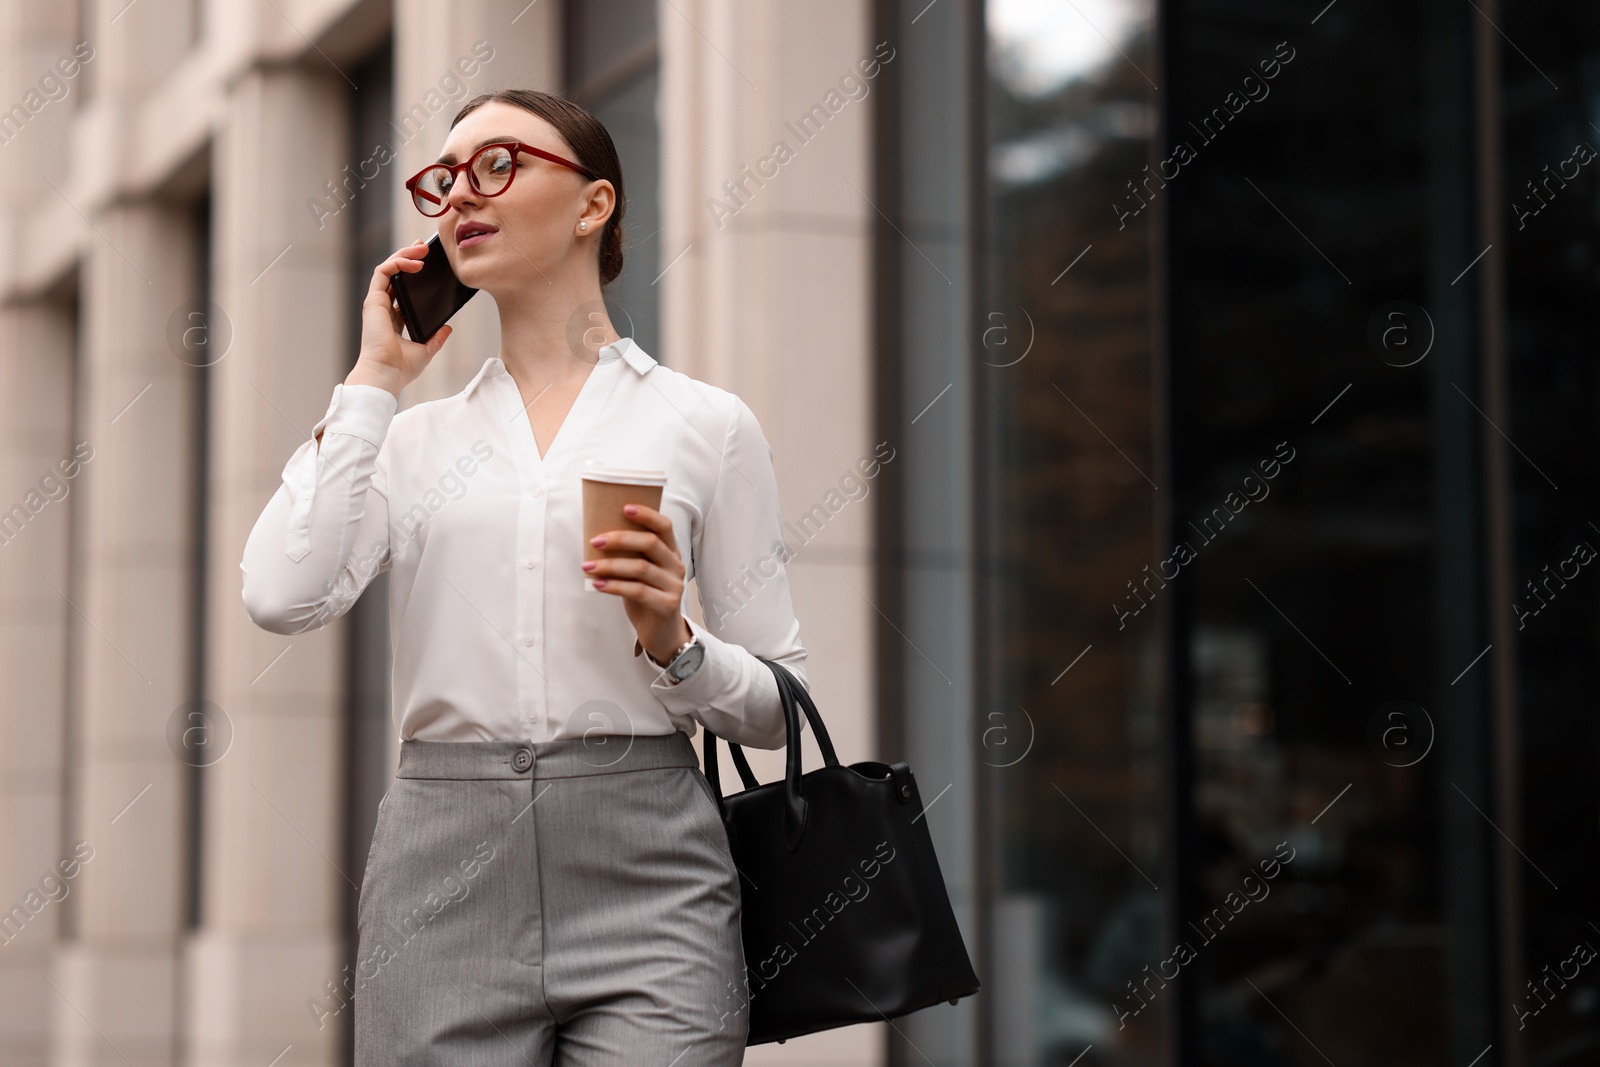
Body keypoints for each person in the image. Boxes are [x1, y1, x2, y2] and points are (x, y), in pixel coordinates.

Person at [240, 88, 809, 1065]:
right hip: (443, 868)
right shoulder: (409, 437)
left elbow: (775, 710)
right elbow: (281, 594)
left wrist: (673, 639)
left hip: (654, 871)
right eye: (444, 178)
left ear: (593, 205)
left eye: (497, 164)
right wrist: (374, 378)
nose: (461, 193)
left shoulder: (705, 424)